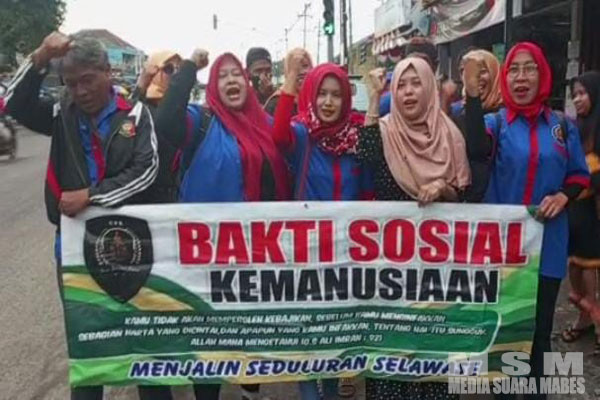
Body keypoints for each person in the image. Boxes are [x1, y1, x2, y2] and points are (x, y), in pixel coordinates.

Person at [4, 31, 158, 400]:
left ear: (107, 72)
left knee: (144, 342)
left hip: (130, 246)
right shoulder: (62, 113)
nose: (81, 91)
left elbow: (146, 170)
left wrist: (91, 196)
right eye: (71, 84)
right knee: (87, 343)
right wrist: (41, 56)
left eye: (88, 80)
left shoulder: (135, 114)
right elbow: (14, 104)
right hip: (73, 249)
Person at [173, 52, 289, 400]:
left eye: (236, 73)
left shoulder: (265, 123)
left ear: (247, 82)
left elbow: (292, 147)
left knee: (251, 332)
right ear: (212, 86)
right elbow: (165, 123)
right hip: (210, 257)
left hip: (258, 255)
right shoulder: (200, 121)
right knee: (210, 335)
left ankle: (250, 393)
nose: (231, 80)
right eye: (222, 76)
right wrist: (189, 67)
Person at [358, 56, 474, 400]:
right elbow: (365, 159)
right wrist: (372, 99)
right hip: (390, 272)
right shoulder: (384, 130)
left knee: (433, 357)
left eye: (416, 83)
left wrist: (442, 188)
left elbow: (465, 198)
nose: (408, 92)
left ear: (430, 89)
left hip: (436, 273)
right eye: (401, 85)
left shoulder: (450, 135)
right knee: (389, 358)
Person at [479, 42, 590, 400]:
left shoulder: (562, 126)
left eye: (530, 68)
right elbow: (472, 151)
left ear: (542, 76)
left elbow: (579, 174)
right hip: (501, 250)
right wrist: (469, 96)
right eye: (513, 69)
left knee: (540, 333)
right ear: (504, 77)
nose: (521, 77)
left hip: (548, 247)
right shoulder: (494, 124)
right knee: (504, 330)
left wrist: (563, 196)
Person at [272, 57, 373, 399]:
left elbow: (368, 192)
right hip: (305, 255)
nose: (328, 102)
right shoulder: (303, 136)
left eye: (336, 95)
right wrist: (290, 80)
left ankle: (329, 391)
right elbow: (278, 135)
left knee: (332, 334)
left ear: (346, 98)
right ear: (312, 96)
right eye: (322, 94)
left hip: (344, 257)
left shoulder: (356, 140)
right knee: (305, 333)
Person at [129, 49, 209, 204]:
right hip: (146, 199)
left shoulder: (187, 112)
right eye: (169, 69)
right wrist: (140, 87)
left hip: (177, 197)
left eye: (179, 69)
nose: (175, 75)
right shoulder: (141, 109)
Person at [562, 71, 600, 350]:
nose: (577, 99)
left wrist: (586, 180)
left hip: (592, 210)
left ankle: (595, 322)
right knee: (574, 265)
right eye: (574, 94)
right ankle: (585, 317)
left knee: (589, 265)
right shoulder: (576, 127)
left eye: (582, 93)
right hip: (574, 208)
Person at [379, 36, 441, 116]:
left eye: (422, 63)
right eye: (411, 64)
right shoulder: (392, 100)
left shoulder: (445, 97)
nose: (416, 67)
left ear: (435, 66)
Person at [263, 48, 313, 116]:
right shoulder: (276, 103)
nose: (301, 72)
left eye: (305, 66)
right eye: (295, 68)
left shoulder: (316, 100)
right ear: (287, 72)